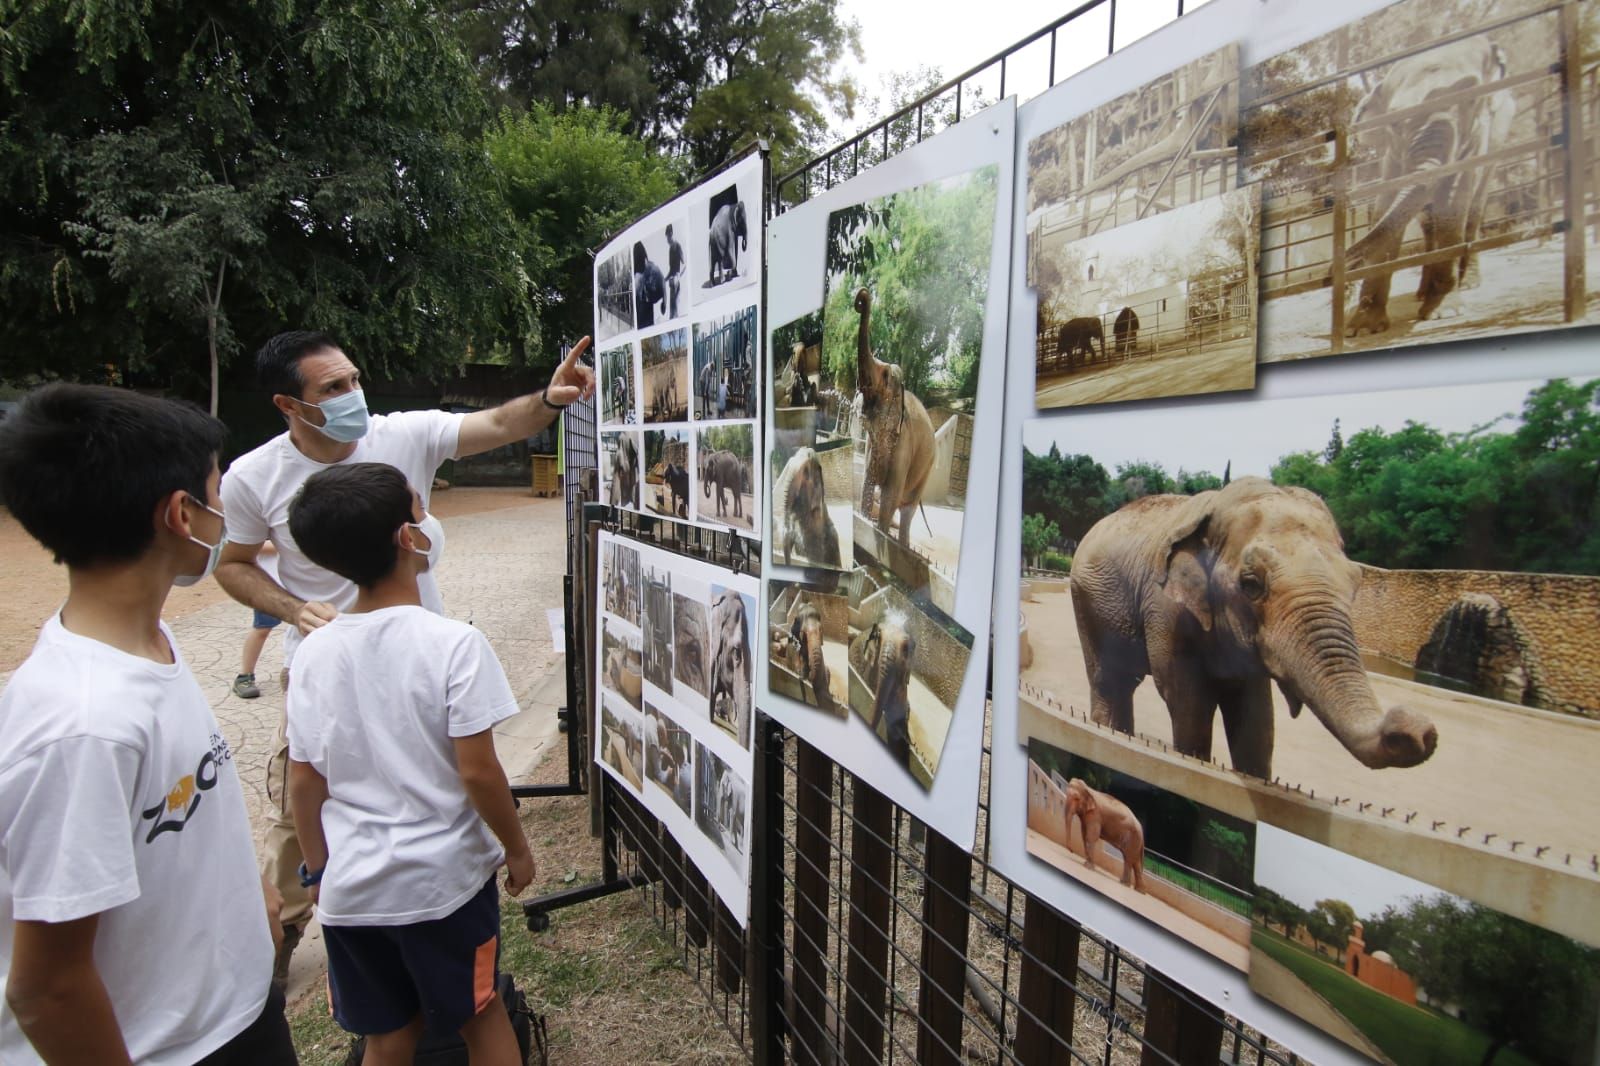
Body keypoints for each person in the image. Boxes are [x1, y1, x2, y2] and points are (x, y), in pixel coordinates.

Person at [214, 329, 592, 989]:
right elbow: (235, 565)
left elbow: (500, 421)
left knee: (434, 781)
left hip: (411, 657)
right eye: (332, 388)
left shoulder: (402, 434)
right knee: (297, 808)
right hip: (320, 661)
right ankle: (282, 940)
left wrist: (550, 400)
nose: (352, 396)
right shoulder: (254, 476)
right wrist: (291, 609)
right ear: (288, 404)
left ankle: (413, 905)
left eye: (354, 379)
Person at [0, 384, 294, 1065]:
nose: (228, 514)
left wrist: (252, 902)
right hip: (175, 1049)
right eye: (218, 495)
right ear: (181, 515)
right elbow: (48, 988)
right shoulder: (84, 725)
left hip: (234, 1011)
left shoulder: (146, 639)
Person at [285, 463, 533, 1064]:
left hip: (352, 893)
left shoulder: (313, 652)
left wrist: (320, 872)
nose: (428, 522)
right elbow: (478, 772)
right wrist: (517, 848)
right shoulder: (452, 644)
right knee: (480, 1014)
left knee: (389, 1034)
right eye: (420, 511)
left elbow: (304, 782)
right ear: (407, 538)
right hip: (441, 885)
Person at [235, 546, 282, 699]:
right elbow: (254, 546)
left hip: (300, 582)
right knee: (262, 629)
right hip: (270, 584)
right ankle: (244, 676)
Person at [633, 241, 666, 329]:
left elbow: (662, 283)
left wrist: (664, 302)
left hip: (647, 309)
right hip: (641, 308)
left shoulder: (653, 269)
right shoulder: (637, 274)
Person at [665, 223, 685, 318]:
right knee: (671, 312)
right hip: (671, 283)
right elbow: (671, 270)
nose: (667, 240)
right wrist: (664, 279)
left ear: (671, 234)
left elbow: (684, 264)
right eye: (666, 238)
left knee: (676, 309)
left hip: (676, 281)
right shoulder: (669, 250)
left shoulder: (677, 246)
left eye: (668, 237)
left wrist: (678, 276)